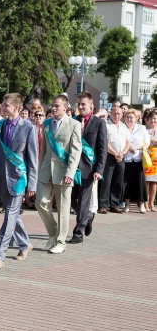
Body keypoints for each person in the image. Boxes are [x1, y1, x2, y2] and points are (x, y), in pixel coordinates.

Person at [0, 93, 38, 268]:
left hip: (19, 180)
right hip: (2, 179)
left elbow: (33, 158)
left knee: (9, 217)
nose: (2, 108)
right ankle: (25, 244)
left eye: (6, 105)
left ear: (17, 108)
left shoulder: (29, 128)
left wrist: (32, 184)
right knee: (11, 214)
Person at [35, 94, 82, 254]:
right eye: (52, 105)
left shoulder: (74, 124)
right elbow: (44, 150)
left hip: (64, 172)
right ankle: (53, 233)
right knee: (40, 202)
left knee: (63, 208)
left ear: (66, 107)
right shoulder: (46, 123)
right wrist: (40, 168)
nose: (53, 108)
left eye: (57, 106)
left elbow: (76, 151)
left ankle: (61, 241)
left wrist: (70, 171)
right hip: (46, 170)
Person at [68, 92, 107, 244]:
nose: (81, 107)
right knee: (72, 200)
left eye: (83, 104)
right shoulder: (73, 121)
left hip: (89, 169)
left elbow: (102, 149)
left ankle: (78, 232)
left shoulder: (99, 123)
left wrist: (99, 169)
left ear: (91, 104)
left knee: (84, 200)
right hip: (72, 168)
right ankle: (88, 217)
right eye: (79, 104)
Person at [98, 106, 130, 214]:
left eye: (119, 114)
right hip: (109, 156)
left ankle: (114, 204)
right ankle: (103, 204)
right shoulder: (106, 125)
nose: (116, 115)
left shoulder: (123, 126)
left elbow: (128, 142)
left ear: (122, 115)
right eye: (114, 113)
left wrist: (122, 153)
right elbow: (105, 143)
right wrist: (115, 153)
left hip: (121, 156)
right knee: (106, 180)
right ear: (110, 114)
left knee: (118, 181)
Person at [122, 109, 149, 213]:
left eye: (131, 117)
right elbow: (121, 140)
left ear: (136, 119)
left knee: (140, 183)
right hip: (127, 159)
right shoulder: (123, 128)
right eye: (127, 117)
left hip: (138, 158)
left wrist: (135, 147)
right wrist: (129, 148)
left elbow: (146, 141)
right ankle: (127, 205)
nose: (129, 119)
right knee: (127, 183)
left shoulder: (141, 128)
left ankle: (141, 205)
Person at [145, 110, 157, 212]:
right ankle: (145, 203)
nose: (153, 121)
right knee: (146, 181)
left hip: (156, 160)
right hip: (147, 158)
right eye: (151, 119)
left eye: (155, 119)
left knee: (154, 182)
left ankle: (152, 203)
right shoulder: (144, 130)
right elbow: (143, 143)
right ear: (147, 120)